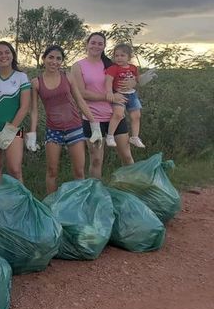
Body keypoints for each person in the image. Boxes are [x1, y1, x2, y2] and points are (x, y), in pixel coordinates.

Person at [26, 45, 101, 194]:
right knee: (52, 171)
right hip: (53, 131)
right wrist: (32, 134)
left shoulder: (68, 76)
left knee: (79, 171)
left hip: (75, 127)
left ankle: (79, 205)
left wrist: (94, 125)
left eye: (58, 58)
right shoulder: (36, 83)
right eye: (51, 57)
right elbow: (34, 110)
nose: (54, 61)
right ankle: (52, 206)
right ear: (44, 59)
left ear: (62, 61)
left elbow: (80, 101)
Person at [71, 32, 138, 179]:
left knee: (127, 156)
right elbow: (81, 93)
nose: (96, 46)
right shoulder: (78, 66)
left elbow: (128, 80)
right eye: (93, 42)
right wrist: (109, 97)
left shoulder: (111, 64)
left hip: (115, 116)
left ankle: (132, 189)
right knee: (96, 160)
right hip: (92, 118)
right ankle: (97, 194)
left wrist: (133, 82)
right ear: (87, 44)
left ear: (104, 47)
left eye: (100, 43)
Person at [0, 41, 30, 185]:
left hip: (14, 130)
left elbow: (24, 107)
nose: (3, 56)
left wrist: (11, 129)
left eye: (7, 52)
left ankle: (21, 204)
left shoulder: (21, 77)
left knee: (15, 169)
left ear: (12, 55)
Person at [105, 43, 145, 148]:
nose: (119, 58)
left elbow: (137, 79)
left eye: (122, 55)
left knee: (136, 116)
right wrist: (109, 92)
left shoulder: (133, 68)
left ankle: (135, 137)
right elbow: (108, 81)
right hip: (119, 94)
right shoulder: (113, 68)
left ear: (129, 57)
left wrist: (146, 77)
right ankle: (110, 136)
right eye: (116, 55)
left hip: (132, 94)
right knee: (118, 114)